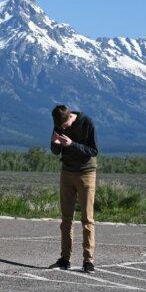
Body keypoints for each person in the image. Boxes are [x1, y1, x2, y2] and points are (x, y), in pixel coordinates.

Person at [49, 105, 99, 274]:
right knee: (66, 218)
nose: (63, 129)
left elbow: (93, 150)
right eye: (60, 127)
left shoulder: (87, 122)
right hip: (67, 172)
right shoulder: (58, 124)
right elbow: (55, 151)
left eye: (64, 126)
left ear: (70, 116)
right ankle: (65, 258)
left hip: (86, 173)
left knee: (87, 219)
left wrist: (72, 144)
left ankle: (88, 260)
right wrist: (56, 144)